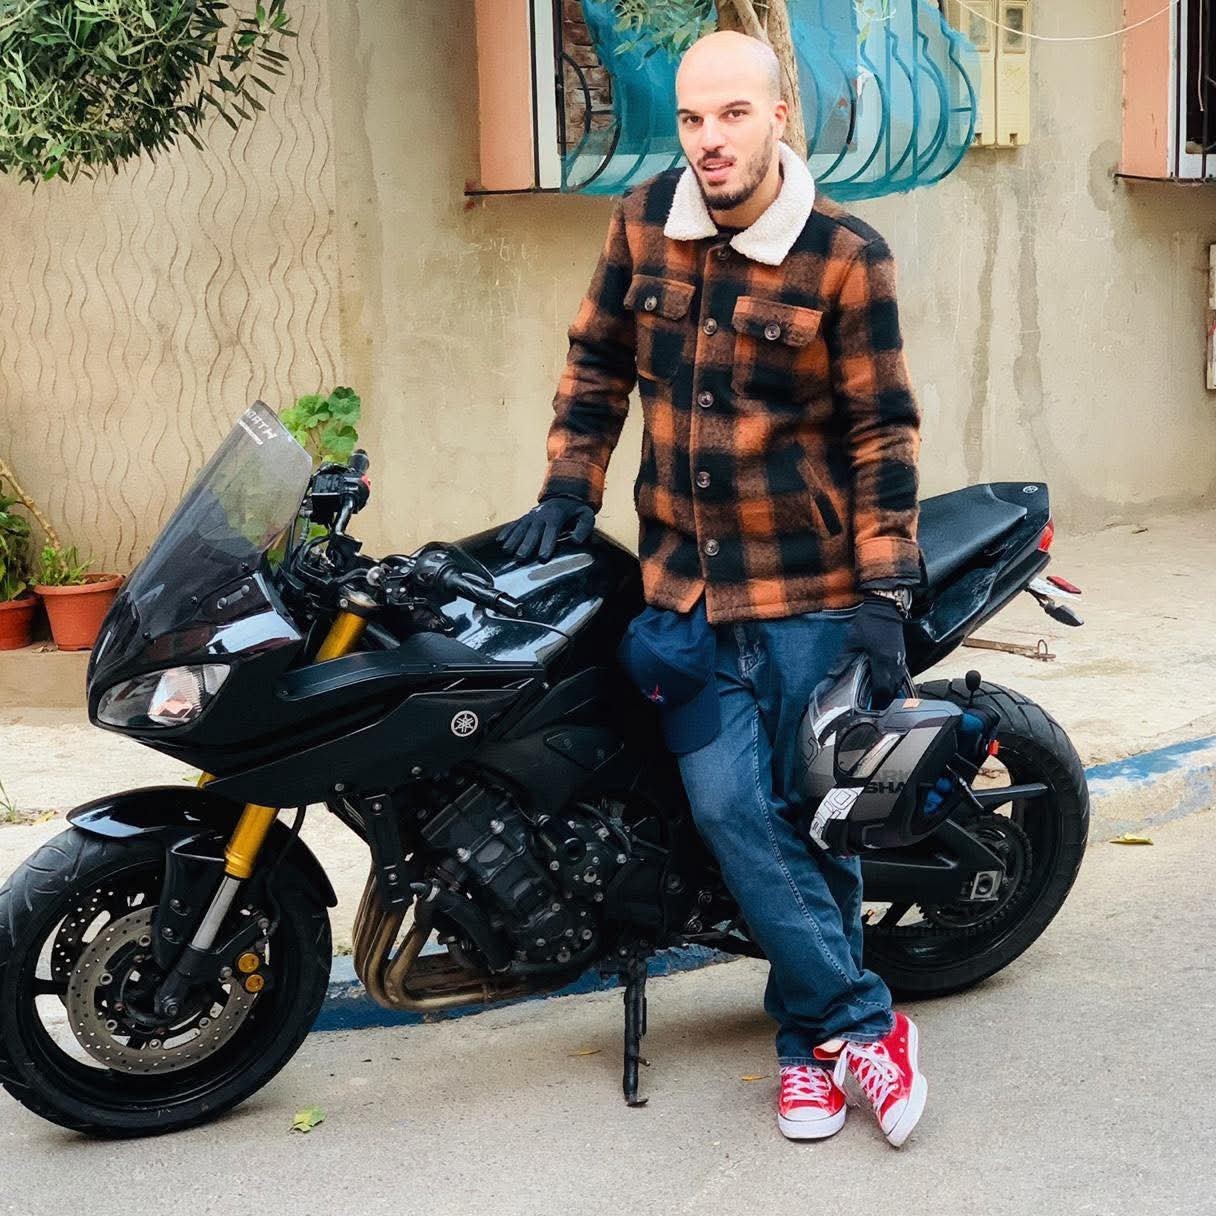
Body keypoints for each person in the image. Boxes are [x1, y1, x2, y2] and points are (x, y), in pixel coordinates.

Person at [498, 30, 926, 1148]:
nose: (709, 141)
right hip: (683, 591)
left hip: (810, 596)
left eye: (732, 115)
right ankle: (860, 1025)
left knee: (817, 826)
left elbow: (882, 431)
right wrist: (568, 485)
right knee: (733, 810)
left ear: (778, 116)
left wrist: (884, 594)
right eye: (692, 120)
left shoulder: (846, 255)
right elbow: (596, 364)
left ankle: (804, 1052)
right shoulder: (642, 221)